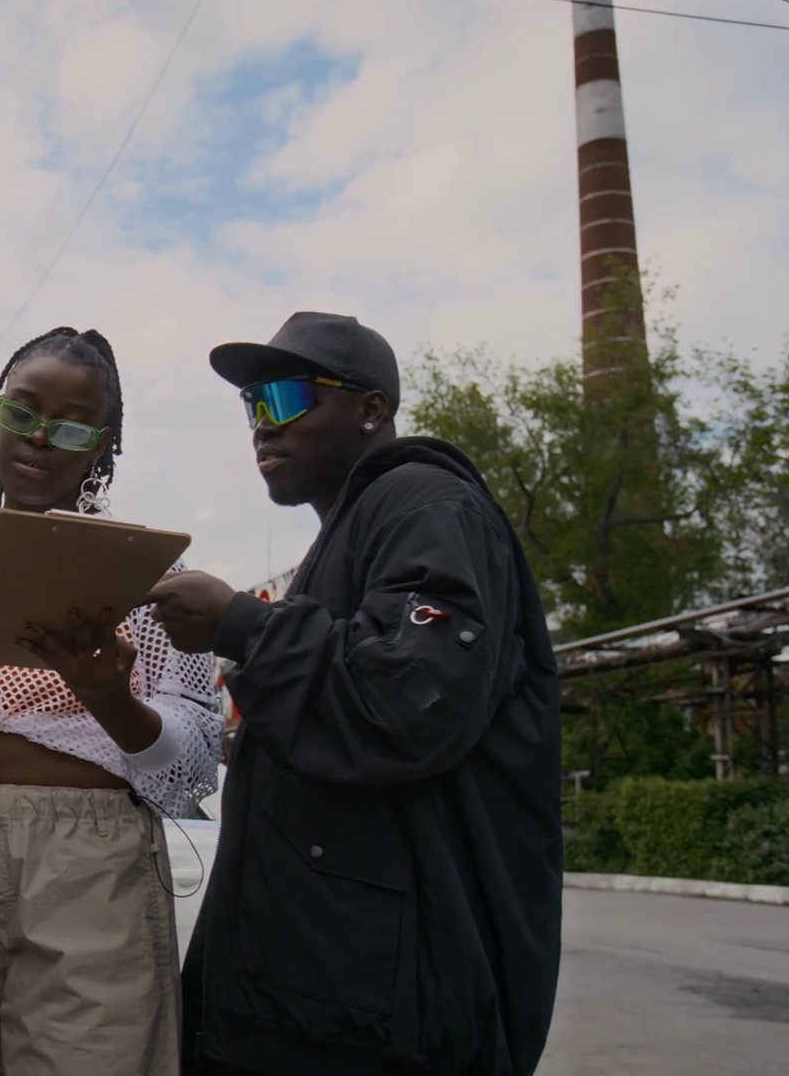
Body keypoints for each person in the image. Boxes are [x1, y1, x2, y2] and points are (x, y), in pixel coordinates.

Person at [149, 312, 562, 1076]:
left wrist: (243, 624)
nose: (262, 424)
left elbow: (409, 702)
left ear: (370, 409)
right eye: (251, 404)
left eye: (284, 397)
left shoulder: (427, 504)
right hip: (317, 994)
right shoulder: (355, 531)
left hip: (376, 1013)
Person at [0, 327, 223, 1076]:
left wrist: (111, 699)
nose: (39, 439)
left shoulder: (148, 579)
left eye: (72, 427)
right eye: (22, 413)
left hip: (87, 868)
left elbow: (190, 771)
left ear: (103, 445)